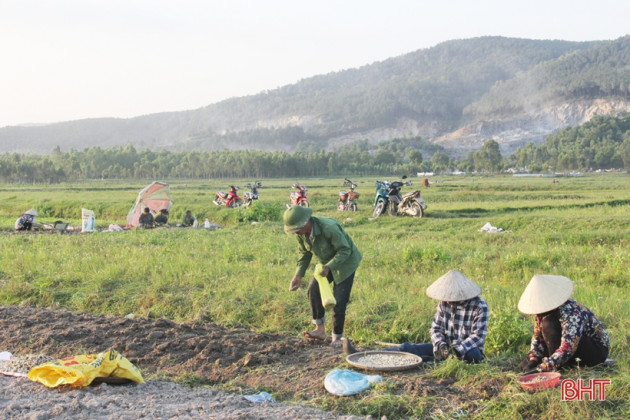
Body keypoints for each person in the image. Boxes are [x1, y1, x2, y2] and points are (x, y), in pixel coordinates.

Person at [343, 270, 489, 364]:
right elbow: (436, 329)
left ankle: (440, 360)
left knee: (473, 356)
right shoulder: (444, 303)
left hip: (467, 350)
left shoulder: (479, 306)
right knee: (409, 348)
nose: (449, 300)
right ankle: (363, 355)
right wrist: (442, 345)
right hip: (445, 347)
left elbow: (477, 337)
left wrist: (457, 350)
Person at [283, 205, 362, 347]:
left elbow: (345, 250)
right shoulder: (301, 234)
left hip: (346, 261)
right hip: (326, 263)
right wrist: (298, 276)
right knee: (313, 290)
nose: (296, 233)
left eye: (297, 229)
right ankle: (319, 329)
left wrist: (330, 267)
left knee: (339, 301)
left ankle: (337, 338)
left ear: (306, 222)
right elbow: (304, 254)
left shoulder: (328, 228)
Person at [518, 274, 610, 373]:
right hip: (572, 344)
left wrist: (544, 367)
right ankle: (556, 362)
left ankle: (560, 365)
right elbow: (537, 336)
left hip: (595, 350)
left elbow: (568, 346)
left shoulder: (571, 312)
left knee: (548, 324)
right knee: (525, 364)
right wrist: (533, 359)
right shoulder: (542, 312)